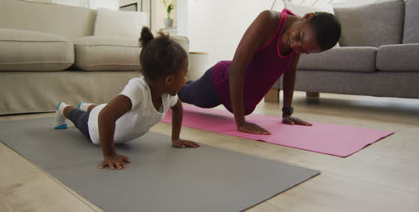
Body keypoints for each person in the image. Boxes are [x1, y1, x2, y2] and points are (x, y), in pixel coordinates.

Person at [54, 27, 199, 170]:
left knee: (103, 108)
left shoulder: (168, 95)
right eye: (185, 75)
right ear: (168, 80)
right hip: (95, 126)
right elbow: (105, 117)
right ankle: (63, 108)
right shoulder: (138, 90)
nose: (186, 80)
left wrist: (175, 138)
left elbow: (178, 109)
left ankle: (86, 105)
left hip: (104, 111)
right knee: (77, 116)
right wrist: (110, 154)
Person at [178, 9, 341, 135]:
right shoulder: (268, 20)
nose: (295, 46)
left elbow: (290, 73)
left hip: (233, 98)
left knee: (186, 86)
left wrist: (287, 112)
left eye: (303, 50)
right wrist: (240, 123)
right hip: (218, 85)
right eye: (298, 36)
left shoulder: (298, 44)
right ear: (307, 17)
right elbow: (236, 69)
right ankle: (162, 81)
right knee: (180, 93)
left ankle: (179, 80)